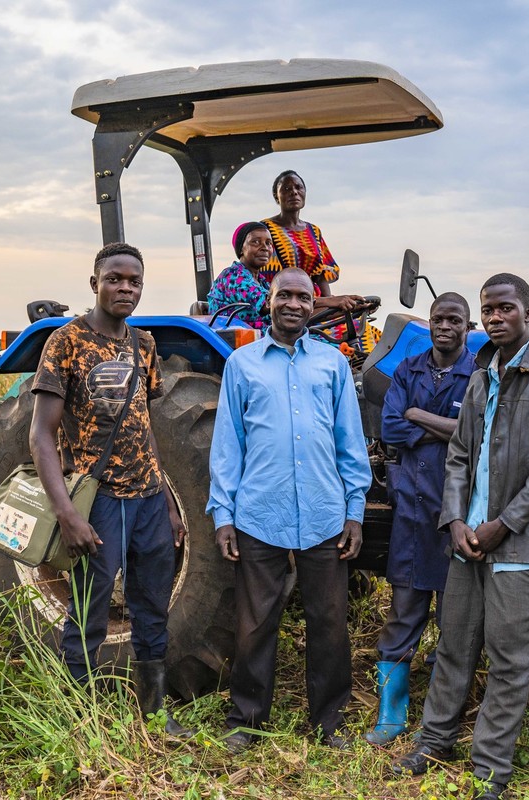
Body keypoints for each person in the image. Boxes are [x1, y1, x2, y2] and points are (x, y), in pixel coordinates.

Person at [393, 274, 529, 800]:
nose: (495, 318)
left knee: (508, 660)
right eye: (489, 310)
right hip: (468, 540)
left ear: (528, 314)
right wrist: (455, 520)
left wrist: (502, 525)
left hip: (520, 542)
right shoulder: (481, 380)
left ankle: (490, 771)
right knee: (453, 646)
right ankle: (434, 742)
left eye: (506, 308)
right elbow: (459, 456)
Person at [207, 267, 373, 752]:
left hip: (325, 512)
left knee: (329, 621)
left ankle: (329, 721)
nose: (295, 305)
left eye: (304, 297)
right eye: (286, 296)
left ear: (312, 304)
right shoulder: (242, 364)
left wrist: (355, 510)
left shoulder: (332, 364)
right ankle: (247, 719)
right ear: (270, 301)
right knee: (255, 624)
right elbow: (227, 447)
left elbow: (350, 442)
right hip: (260, 511)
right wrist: (224, 514)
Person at [29, 242, 190, 736]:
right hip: (99, 501)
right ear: (94, 282)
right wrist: (67, 514)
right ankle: (80, 723)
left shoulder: (144, 344)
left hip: (146, 499)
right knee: (90, 609)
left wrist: (166, 501)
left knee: (151, 608)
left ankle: (154, 714)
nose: (125, 288)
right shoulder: (66, 341)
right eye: (115, 278)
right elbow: (40, 436)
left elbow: (144, 429)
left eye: (134, 281)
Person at [366, 292, 476, 745]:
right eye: (437, 319)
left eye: (454, 320)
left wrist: (416, 414)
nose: (443, 326)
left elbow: (476, 431)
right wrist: (441, 429)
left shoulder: (479, 375)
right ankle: (391, 713)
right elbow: (390, 427)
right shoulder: (408, 370)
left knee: (455, 621)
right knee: (404, 612)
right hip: (411, 511)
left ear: (468, 327)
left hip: (456, 513)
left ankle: (442, 714)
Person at [261, 170, 366, 314]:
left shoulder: (313, 231)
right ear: (276, 196)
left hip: (314, 303)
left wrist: (334, 304)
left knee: (363, 326)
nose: (294, 192)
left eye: (298, 187)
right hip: (285, 307)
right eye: (286, 189)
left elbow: (320, 273)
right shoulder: (264, 229)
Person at [205, 221, 273, 328]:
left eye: (268, 243)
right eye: (255, 242)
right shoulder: (232, 276)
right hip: (232, 342)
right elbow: (268, 303)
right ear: (241, 248)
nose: (265, 247)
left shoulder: (262, 282)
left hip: (259, 339)